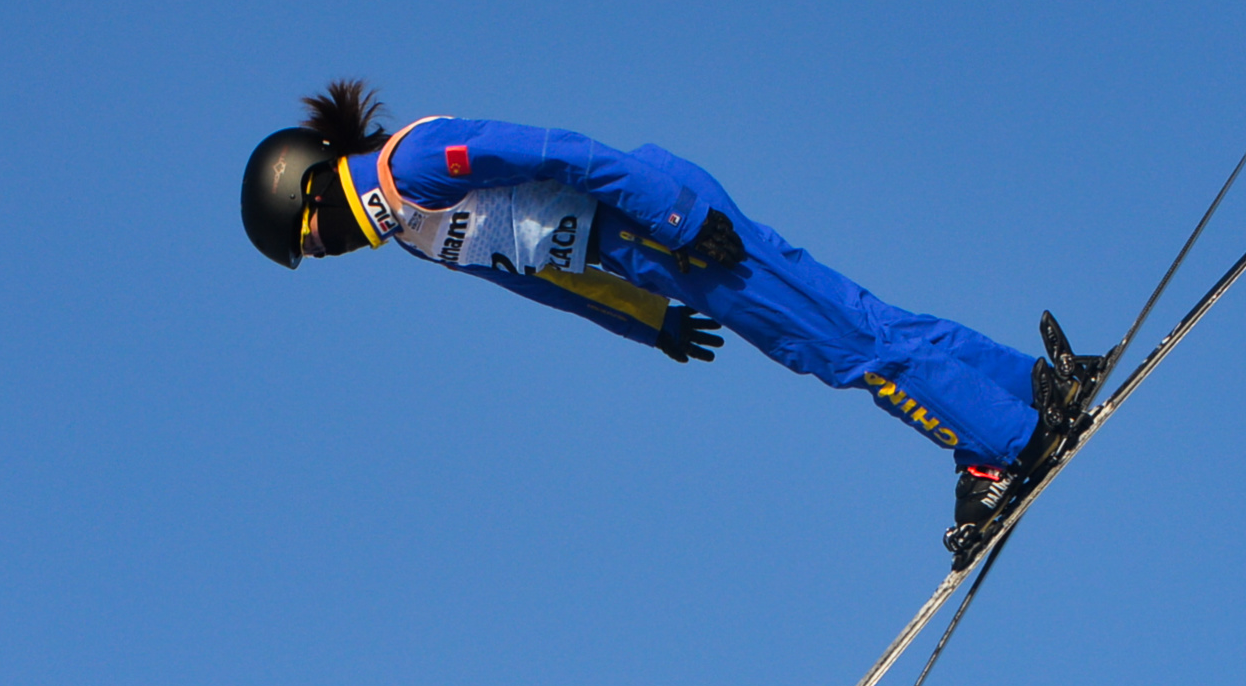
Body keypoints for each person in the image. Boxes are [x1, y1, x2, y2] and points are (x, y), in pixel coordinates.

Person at [241, 80, 1108, 553]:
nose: (321, 251)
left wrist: (679, 222)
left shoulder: (418, 162)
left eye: (308, 237)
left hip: (672, 226)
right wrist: (643, 322)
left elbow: (565, 154)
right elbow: (545, 273)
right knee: (858, 322)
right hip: (650, 256)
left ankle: (1005, 447)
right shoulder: (419, 235)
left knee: (846, 350)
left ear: (311, 185)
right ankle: (1032, 389)